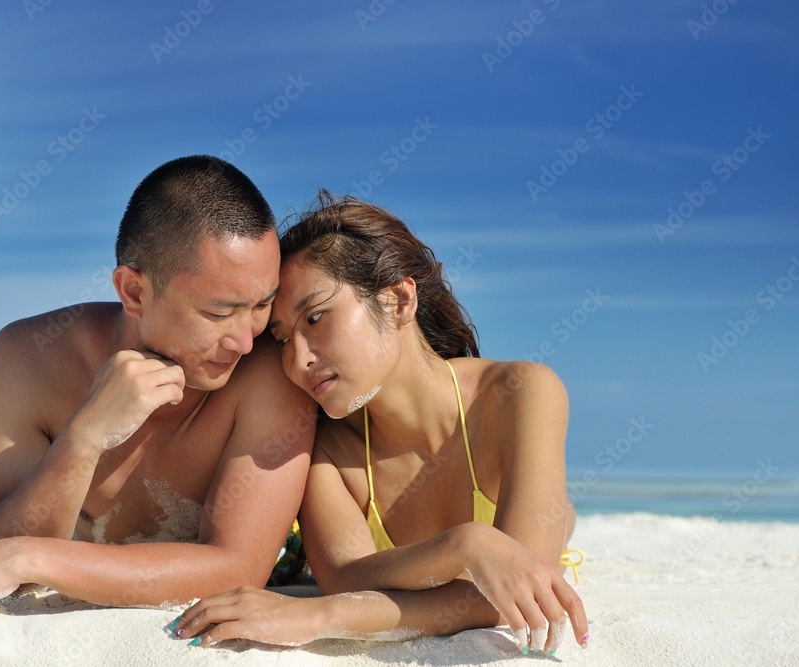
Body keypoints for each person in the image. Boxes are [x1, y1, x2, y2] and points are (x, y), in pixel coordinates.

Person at [0, 155, 316, 620]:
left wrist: (29, 557)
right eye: (218, 313)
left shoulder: (269, 371)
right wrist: (85, 437)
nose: (245, 339)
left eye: (262, 303)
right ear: (134, 292)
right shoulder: (29, 359)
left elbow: (239, 569)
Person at [173, 193, 589, 656]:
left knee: (560, 519)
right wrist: (466, 545)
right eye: (283, 337)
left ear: (399, 300)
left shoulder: (519, 393)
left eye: (316, 317)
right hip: (290, 551)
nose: (298, 358)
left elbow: (520, 588)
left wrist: (319, 616)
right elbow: (347, 579)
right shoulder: (325, 447)